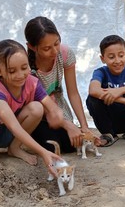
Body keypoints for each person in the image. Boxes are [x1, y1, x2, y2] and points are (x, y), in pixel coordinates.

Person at [0, 39, 63, 177]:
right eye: (12, 71)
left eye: (24, 68)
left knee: (37, 107)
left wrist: (57, 114)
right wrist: (43, 152)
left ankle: (14, 147)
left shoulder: (32, 82)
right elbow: (14, 126)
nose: (20, 75)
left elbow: (51, 107)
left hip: (9, 134)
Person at [24, 16, 97, 153]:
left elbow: (73, 92)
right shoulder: (26, 67)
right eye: (46, 48)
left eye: (57, 43)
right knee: (54, 145)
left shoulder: (64, 54)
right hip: (38, 114)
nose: (54, 51)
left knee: (74, 143)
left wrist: (84, 126)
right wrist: (67, 125)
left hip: (58, 109)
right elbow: (36, 102)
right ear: (32, 47)